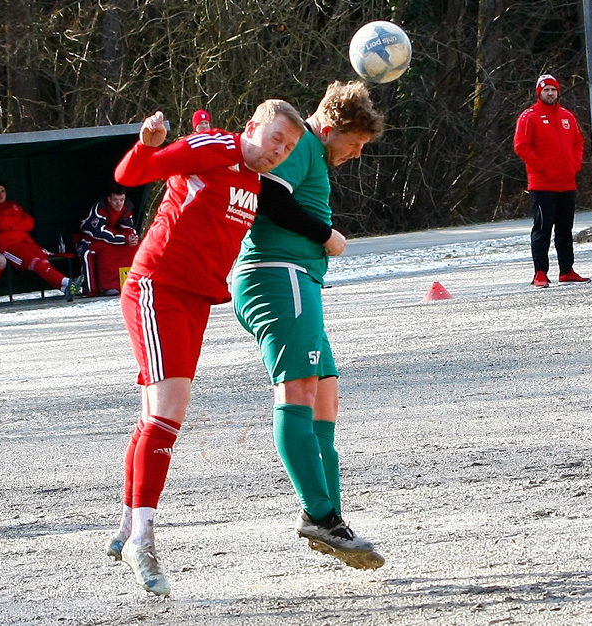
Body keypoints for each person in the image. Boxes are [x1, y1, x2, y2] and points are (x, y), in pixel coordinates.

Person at [105, 99, 305, 596]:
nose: (278, 151)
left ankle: (129, 525)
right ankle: (143, 539)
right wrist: (146, 145)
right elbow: (132, 174)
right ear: (252, 127)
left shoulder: (257, 181)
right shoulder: (213, 145)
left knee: (154, 414)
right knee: (169, 411)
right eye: (274, 139)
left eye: (288, 147)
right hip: (158, 286)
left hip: (196, 300)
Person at [232, 80, 385, 570]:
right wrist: (326, 235)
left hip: (299, 282)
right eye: (356, 144)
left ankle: (331, 518)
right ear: (333, 128)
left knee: (325, 397)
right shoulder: (305, 148)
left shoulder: (314, 155)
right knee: (296, 392)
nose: (357, 154)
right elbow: (268, 200)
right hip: (279, 276)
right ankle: (320, 517)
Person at [513, 74, 591, 288]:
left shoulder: (567, 116)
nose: (550, 93)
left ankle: (566, 270)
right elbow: (521, 145)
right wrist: (541, 167)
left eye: (553, 90)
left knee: (565, 230)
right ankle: (540, 273)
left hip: (567, 184)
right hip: (542, 185)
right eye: (546, 90)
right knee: (542, 230)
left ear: (558, 92)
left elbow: (578, 141)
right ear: (539, 92)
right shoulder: (529, 116)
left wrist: (575, 165)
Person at [0, 184, 81, 302]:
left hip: (25, 241)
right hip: (7, 245)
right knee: (35, 262)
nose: (0, 194)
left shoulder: (13, 205)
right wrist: (15, 222)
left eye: (3, 191)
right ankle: (68, 282)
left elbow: (29, 223)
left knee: (43, 261)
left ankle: (65, 289)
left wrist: (8, 225)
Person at [77, 185, 139, 296]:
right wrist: (124, 239)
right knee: (105, 248)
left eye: (122, 199)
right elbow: (98, 233)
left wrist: (132, 238)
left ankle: (131, 282)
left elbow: (128, 228)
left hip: (113, 237)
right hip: (88, 239)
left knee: (134, 247)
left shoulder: (127, 207)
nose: (119, 203)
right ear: (109, 199)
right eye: (115, 200)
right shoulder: (100, 208)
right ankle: (108, 286)